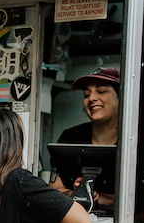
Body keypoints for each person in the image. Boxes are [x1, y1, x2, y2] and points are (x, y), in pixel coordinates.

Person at [51, 67, 120, 208]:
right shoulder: (70, 138)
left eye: (101, 91)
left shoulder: (135, 141)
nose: (92, 98)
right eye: (87, 94)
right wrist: (75, 194)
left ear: (122, 97)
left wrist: (101, 198)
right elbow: (55, 191)